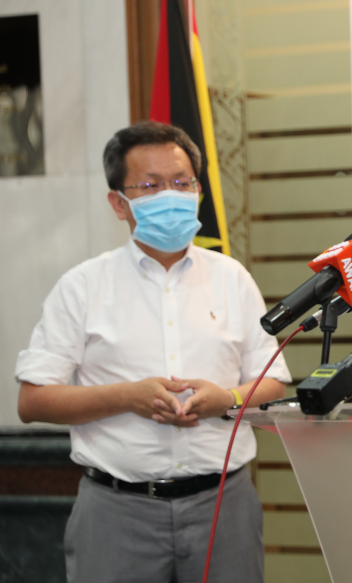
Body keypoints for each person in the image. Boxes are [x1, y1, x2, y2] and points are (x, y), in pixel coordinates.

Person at [15, 121, 291, 583]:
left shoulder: (231, 278)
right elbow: (33, 401)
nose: (171, 194)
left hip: (223, 507)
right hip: (116, 511)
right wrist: (128, 397)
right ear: (118, 204)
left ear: (198, 190)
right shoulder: (83, 286)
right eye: (151, 185)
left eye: (181, 183)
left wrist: (226, 400)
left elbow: (275, 381)